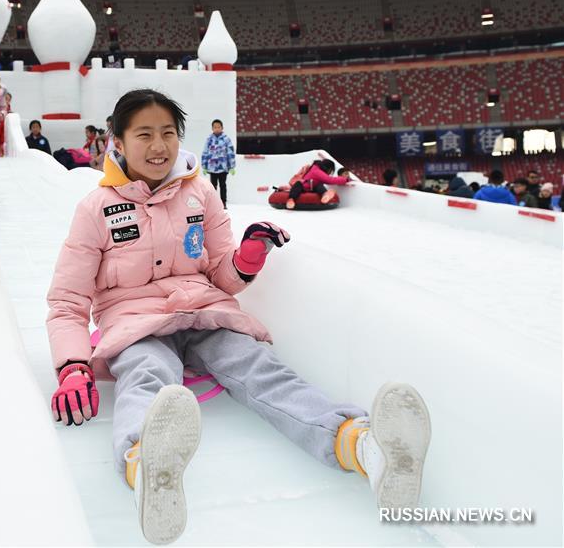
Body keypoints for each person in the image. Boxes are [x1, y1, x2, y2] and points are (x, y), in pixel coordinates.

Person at [46, 89, 432, 545]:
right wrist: (72, 366)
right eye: (144, 134)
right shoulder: (96, 209)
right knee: (147, 375)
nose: (158, 146)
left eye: (168, 133)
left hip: (204, 311)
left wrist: (247, 259)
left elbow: (222, 273)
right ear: (119, 141)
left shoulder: (198, 192)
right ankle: (145, 466)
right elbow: (68, 299)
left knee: (260, 368)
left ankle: (362, 446)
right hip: (135, 323)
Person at [201, 119, 236, 207]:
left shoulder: (226, 139)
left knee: (223, 185)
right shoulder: (209, 139)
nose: (217, 129)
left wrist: (231, 166)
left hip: (223, 167)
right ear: (212, 128)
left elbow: (230, 152)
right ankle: (213, 204)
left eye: (218, 127)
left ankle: (223, 202)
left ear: (222, 128)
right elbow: (205, 152)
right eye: (215, 127)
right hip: (212, 168)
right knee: (213, 186)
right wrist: (204, 165)